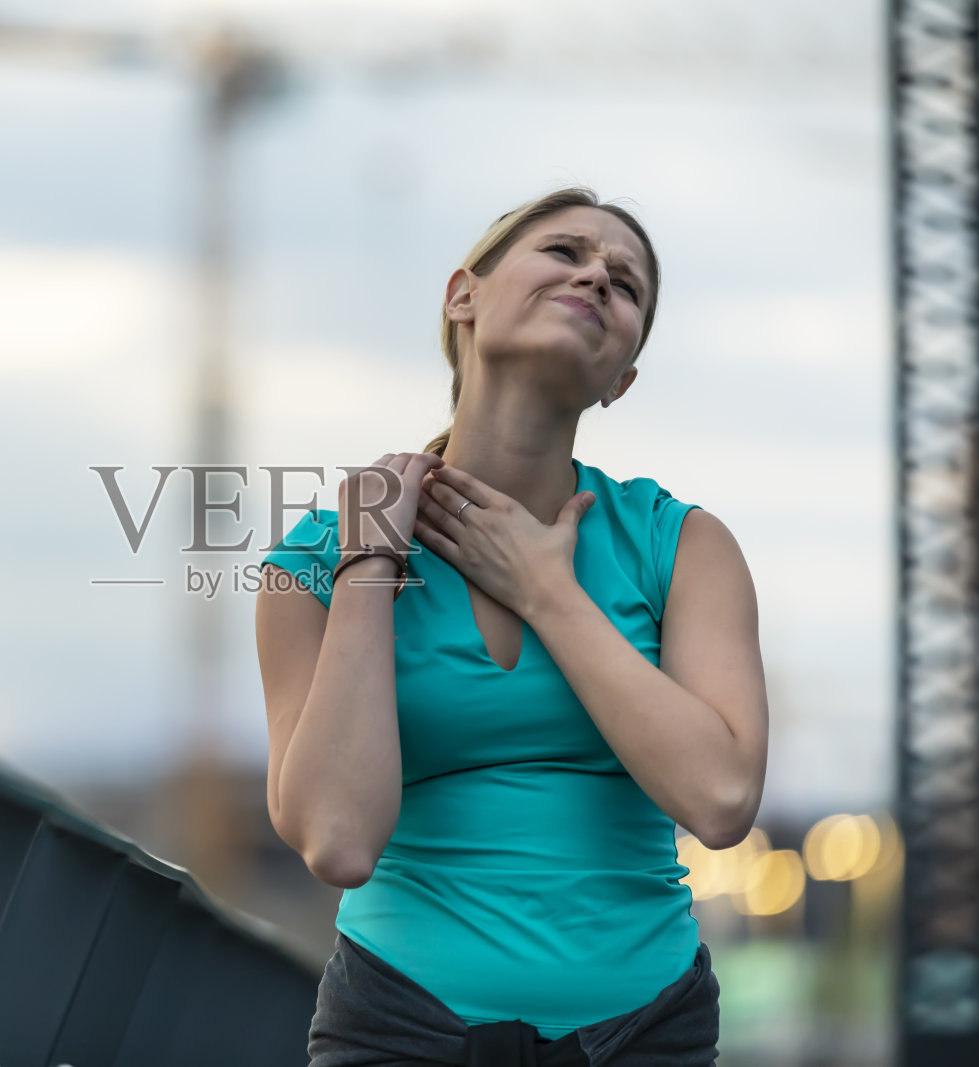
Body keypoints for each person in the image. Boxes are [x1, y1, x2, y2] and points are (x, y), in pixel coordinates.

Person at [254, 186, 770, 1066]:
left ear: (622, 378)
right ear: (464, 296)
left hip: (645, 1034)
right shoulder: (314, 564)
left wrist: (545, 592)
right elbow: (337, 838)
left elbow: (721, 800)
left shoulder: (682, 545)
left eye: (627, 283)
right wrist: (372, 562)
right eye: (565, 251)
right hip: (400, 1030)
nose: (597, 275)